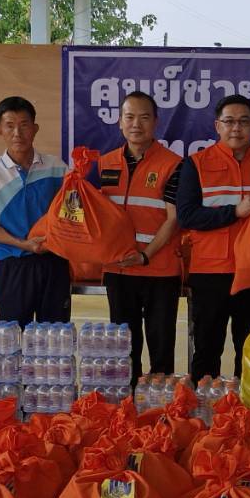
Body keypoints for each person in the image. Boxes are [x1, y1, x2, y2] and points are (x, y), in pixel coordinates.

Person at [175, 94, 250, 379]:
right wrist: (235, 211)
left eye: (244, 122)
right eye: (229, 121)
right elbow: (187, 216)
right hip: (211, 271)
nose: (236, 128)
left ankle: (245, 415)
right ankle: (204, 417)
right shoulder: (195, 164)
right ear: (217, 125)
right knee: (207, 350)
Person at [95, 91, 183, 383]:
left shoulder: (174, 164)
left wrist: (145, 255)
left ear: (155, 122)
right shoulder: (104, 163)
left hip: (159, 269)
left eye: (144, 117)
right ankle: (127, 410)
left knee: (161, 344)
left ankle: (161, 411)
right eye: (129, 117)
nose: (136, 124)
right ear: (119, 122)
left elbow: (174, 217)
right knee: (123, 345)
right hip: (118, 269)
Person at [0, 97, 71, 326]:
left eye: (24, 125)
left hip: (54, 262)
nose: (17, 132)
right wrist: (23, 244)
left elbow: (72, 214)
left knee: (54, 339)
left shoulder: (58, 167)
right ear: (0, 130)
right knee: (14, 339)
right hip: (13, 266)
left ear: (35, 129)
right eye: (10, 125)